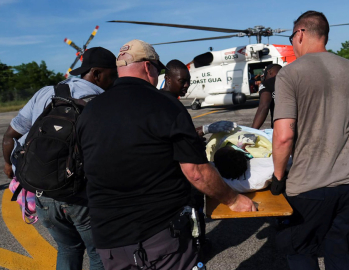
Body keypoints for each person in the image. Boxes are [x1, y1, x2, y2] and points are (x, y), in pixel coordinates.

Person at [77, 39, 256, 270]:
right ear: (147, 67)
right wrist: (233, 200)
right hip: (158, 237)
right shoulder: (165, 105)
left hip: (109, 241)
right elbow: (196, 172)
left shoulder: (90, 110)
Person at [271, 11, 349, 270]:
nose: (293, 43)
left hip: (310, 185)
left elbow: (284, 136)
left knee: (300, 250)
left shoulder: (289, 74)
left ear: (301, 33)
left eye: (292, 36)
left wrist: (278, 177)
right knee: (339, 247)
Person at [2, 47, 117, 270]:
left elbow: (10, 136)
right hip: (81, 197)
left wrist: (8, 165)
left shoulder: (46, 92)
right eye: (111, 75)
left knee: (67, 249)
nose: (113, 82)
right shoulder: (103, 102)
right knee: (99, 254)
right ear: (96, 73)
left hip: (43, 195)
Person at [251, 64, 282, 129]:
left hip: (280, 128)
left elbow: (264, 107)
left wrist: (253, 130)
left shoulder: (267, 84)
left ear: (269, 72)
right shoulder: (293, 80)